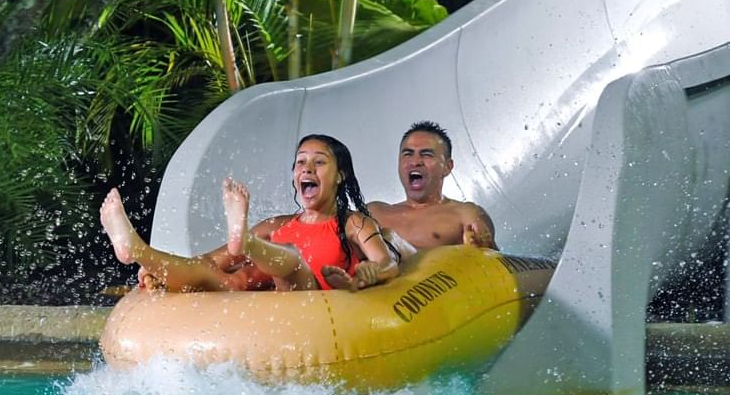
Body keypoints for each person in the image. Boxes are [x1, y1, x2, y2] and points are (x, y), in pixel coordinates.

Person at [100, 134, 400, 293]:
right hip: (274, 310)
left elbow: (386, 262)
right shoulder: (276, 225)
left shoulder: (353, 223)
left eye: (319, 163)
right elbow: (208, 262)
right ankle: (136, 249)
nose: (307, 168)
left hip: (312, 305)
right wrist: (157, 270)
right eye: (300, 163)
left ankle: (245, 242)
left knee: (293, 260)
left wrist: (372, 272)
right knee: (207, 272)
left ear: (340, 176)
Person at [369, 120, 498, 252]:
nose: (415, 161)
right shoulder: (375, 213)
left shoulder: (465, 214)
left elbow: (500, 264)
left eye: (426, 154)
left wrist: (484, 248)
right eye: (408, 154)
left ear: (447, 167)